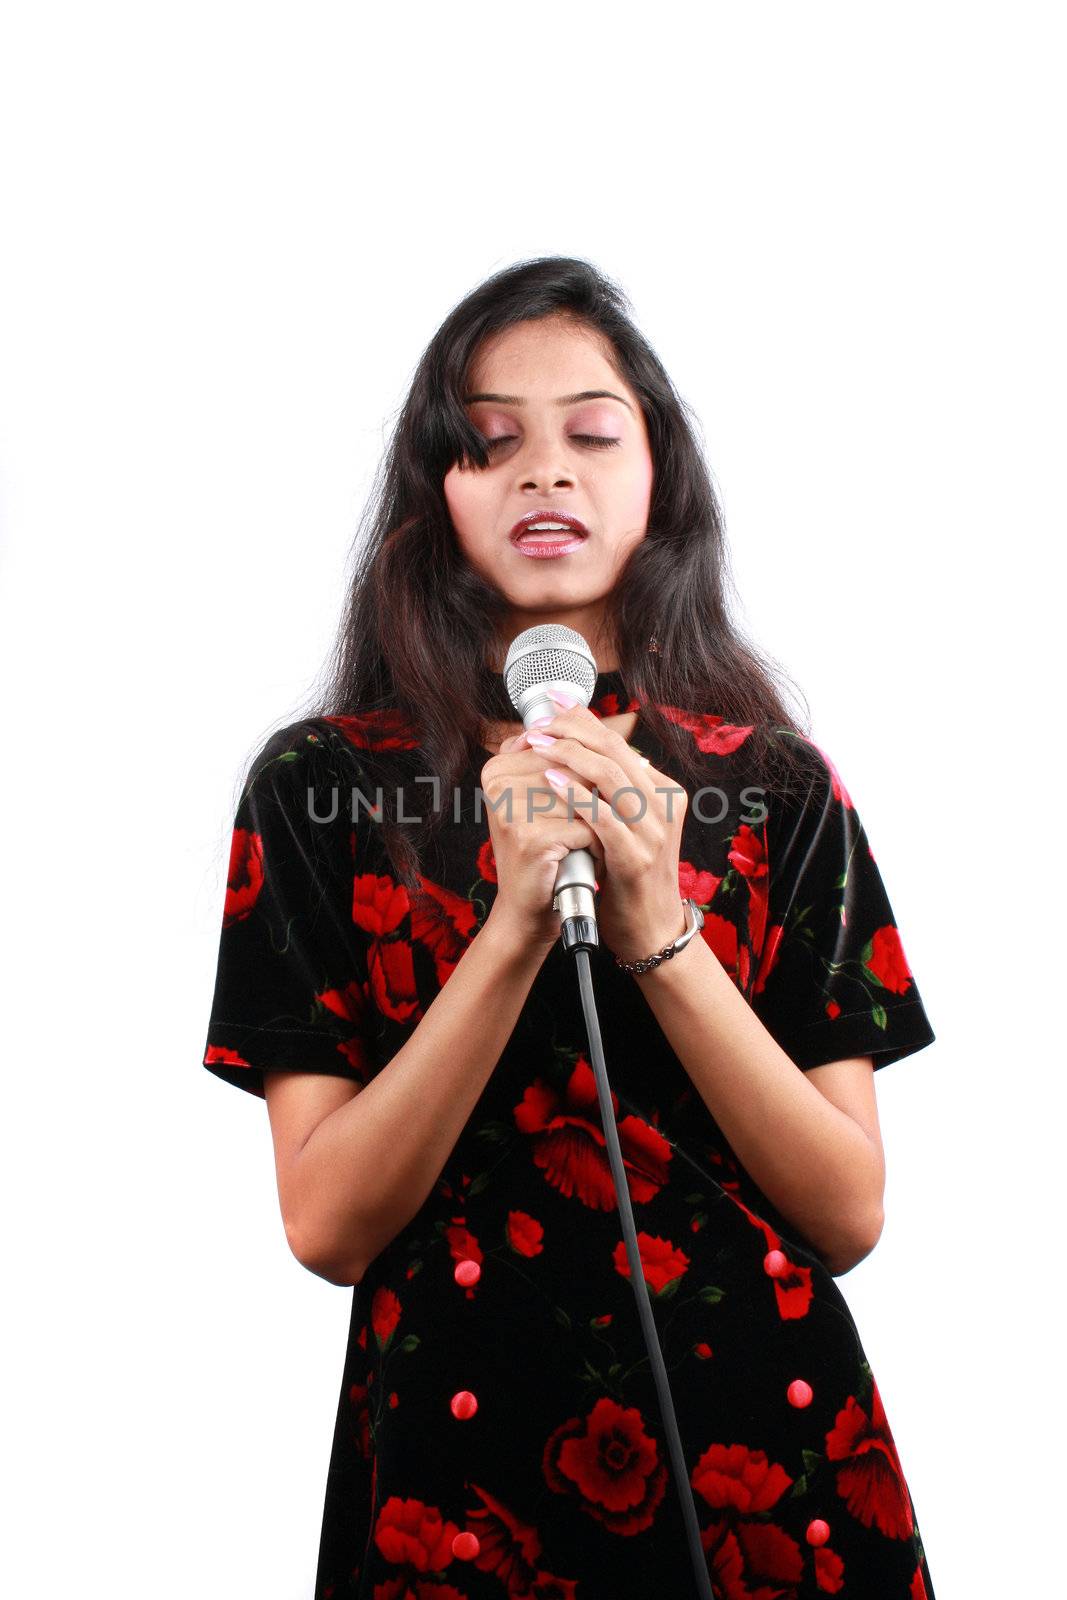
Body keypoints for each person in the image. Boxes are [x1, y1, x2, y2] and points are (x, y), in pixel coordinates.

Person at [202, 257, 938, 1599]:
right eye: (491, 444)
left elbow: (847, 1210)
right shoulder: (319, 790)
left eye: (593, 434)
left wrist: (659, 925)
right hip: (452, 1495)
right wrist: (511, 930)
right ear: (436, 497)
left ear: (659, 483)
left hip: (769, 1480)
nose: (548, 472)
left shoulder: (774, 793)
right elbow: (329, 1226)